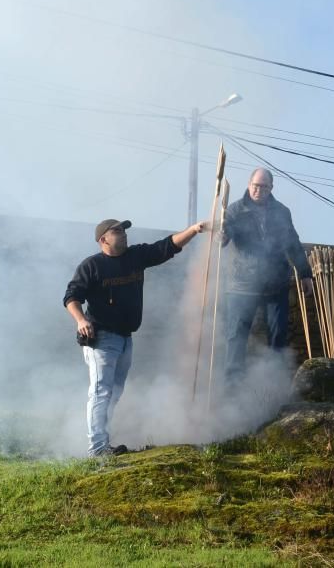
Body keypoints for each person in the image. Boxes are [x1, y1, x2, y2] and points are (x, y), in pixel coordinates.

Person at [63, 218, 206, 457]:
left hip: (126, 338)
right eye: (117, 231)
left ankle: (104, 440)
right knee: (101, 391)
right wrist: (81, 320)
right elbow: (71, 297)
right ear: (103, 239)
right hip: (102, 339)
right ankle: (97, 448)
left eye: (124, 230)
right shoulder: (92, 266)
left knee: (115, 392)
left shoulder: (135, 256)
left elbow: (167, 246)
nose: (124, 234)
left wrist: (192, 230)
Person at [222, 168, 313, 386]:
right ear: (248, 183)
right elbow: (224, 238)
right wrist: (221, 235)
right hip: (242, 284)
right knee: (236, 335)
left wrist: (305, 273)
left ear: (271, 188)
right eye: (255, 185)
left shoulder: (282, 212)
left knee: (279, 333)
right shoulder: (234, 210)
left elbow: (293, 243)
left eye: (264, 186)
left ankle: (274, 383)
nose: (258, 190)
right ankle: (232, 385)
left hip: (276, 282)